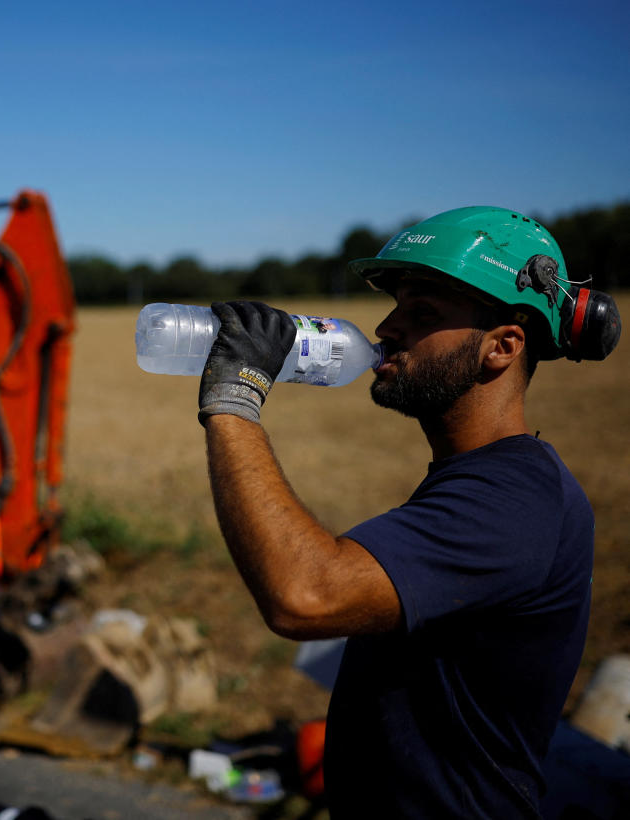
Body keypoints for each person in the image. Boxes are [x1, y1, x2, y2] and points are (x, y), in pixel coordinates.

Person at [197, 207, 601, 817]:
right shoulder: (480, 480)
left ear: (503, 346)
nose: (387, 327)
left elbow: (306, 595)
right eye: (396, 306)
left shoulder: (517, 498)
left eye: (423, 314)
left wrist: (236, 397)